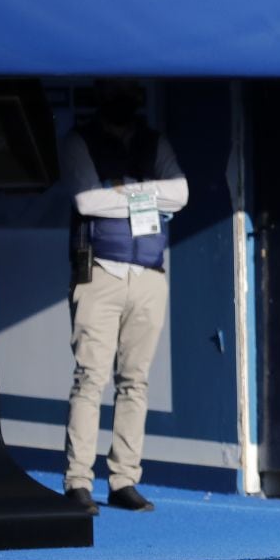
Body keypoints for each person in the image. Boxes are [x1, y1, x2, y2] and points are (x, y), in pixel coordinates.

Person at [61, 79, 189, 515]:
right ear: (99, 95)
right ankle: (78, 480)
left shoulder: (154, 141)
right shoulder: (81, 140)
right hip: (100, 271)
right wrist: (149, 193)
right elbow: (86, 201)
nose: (124, 99)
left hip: (150, 275)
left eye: (130, 92)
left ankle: (124, 479)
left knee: (135, 381)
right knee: (90, 378)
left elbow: (182, 193)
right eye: (115, 91)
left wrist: (125, 191)